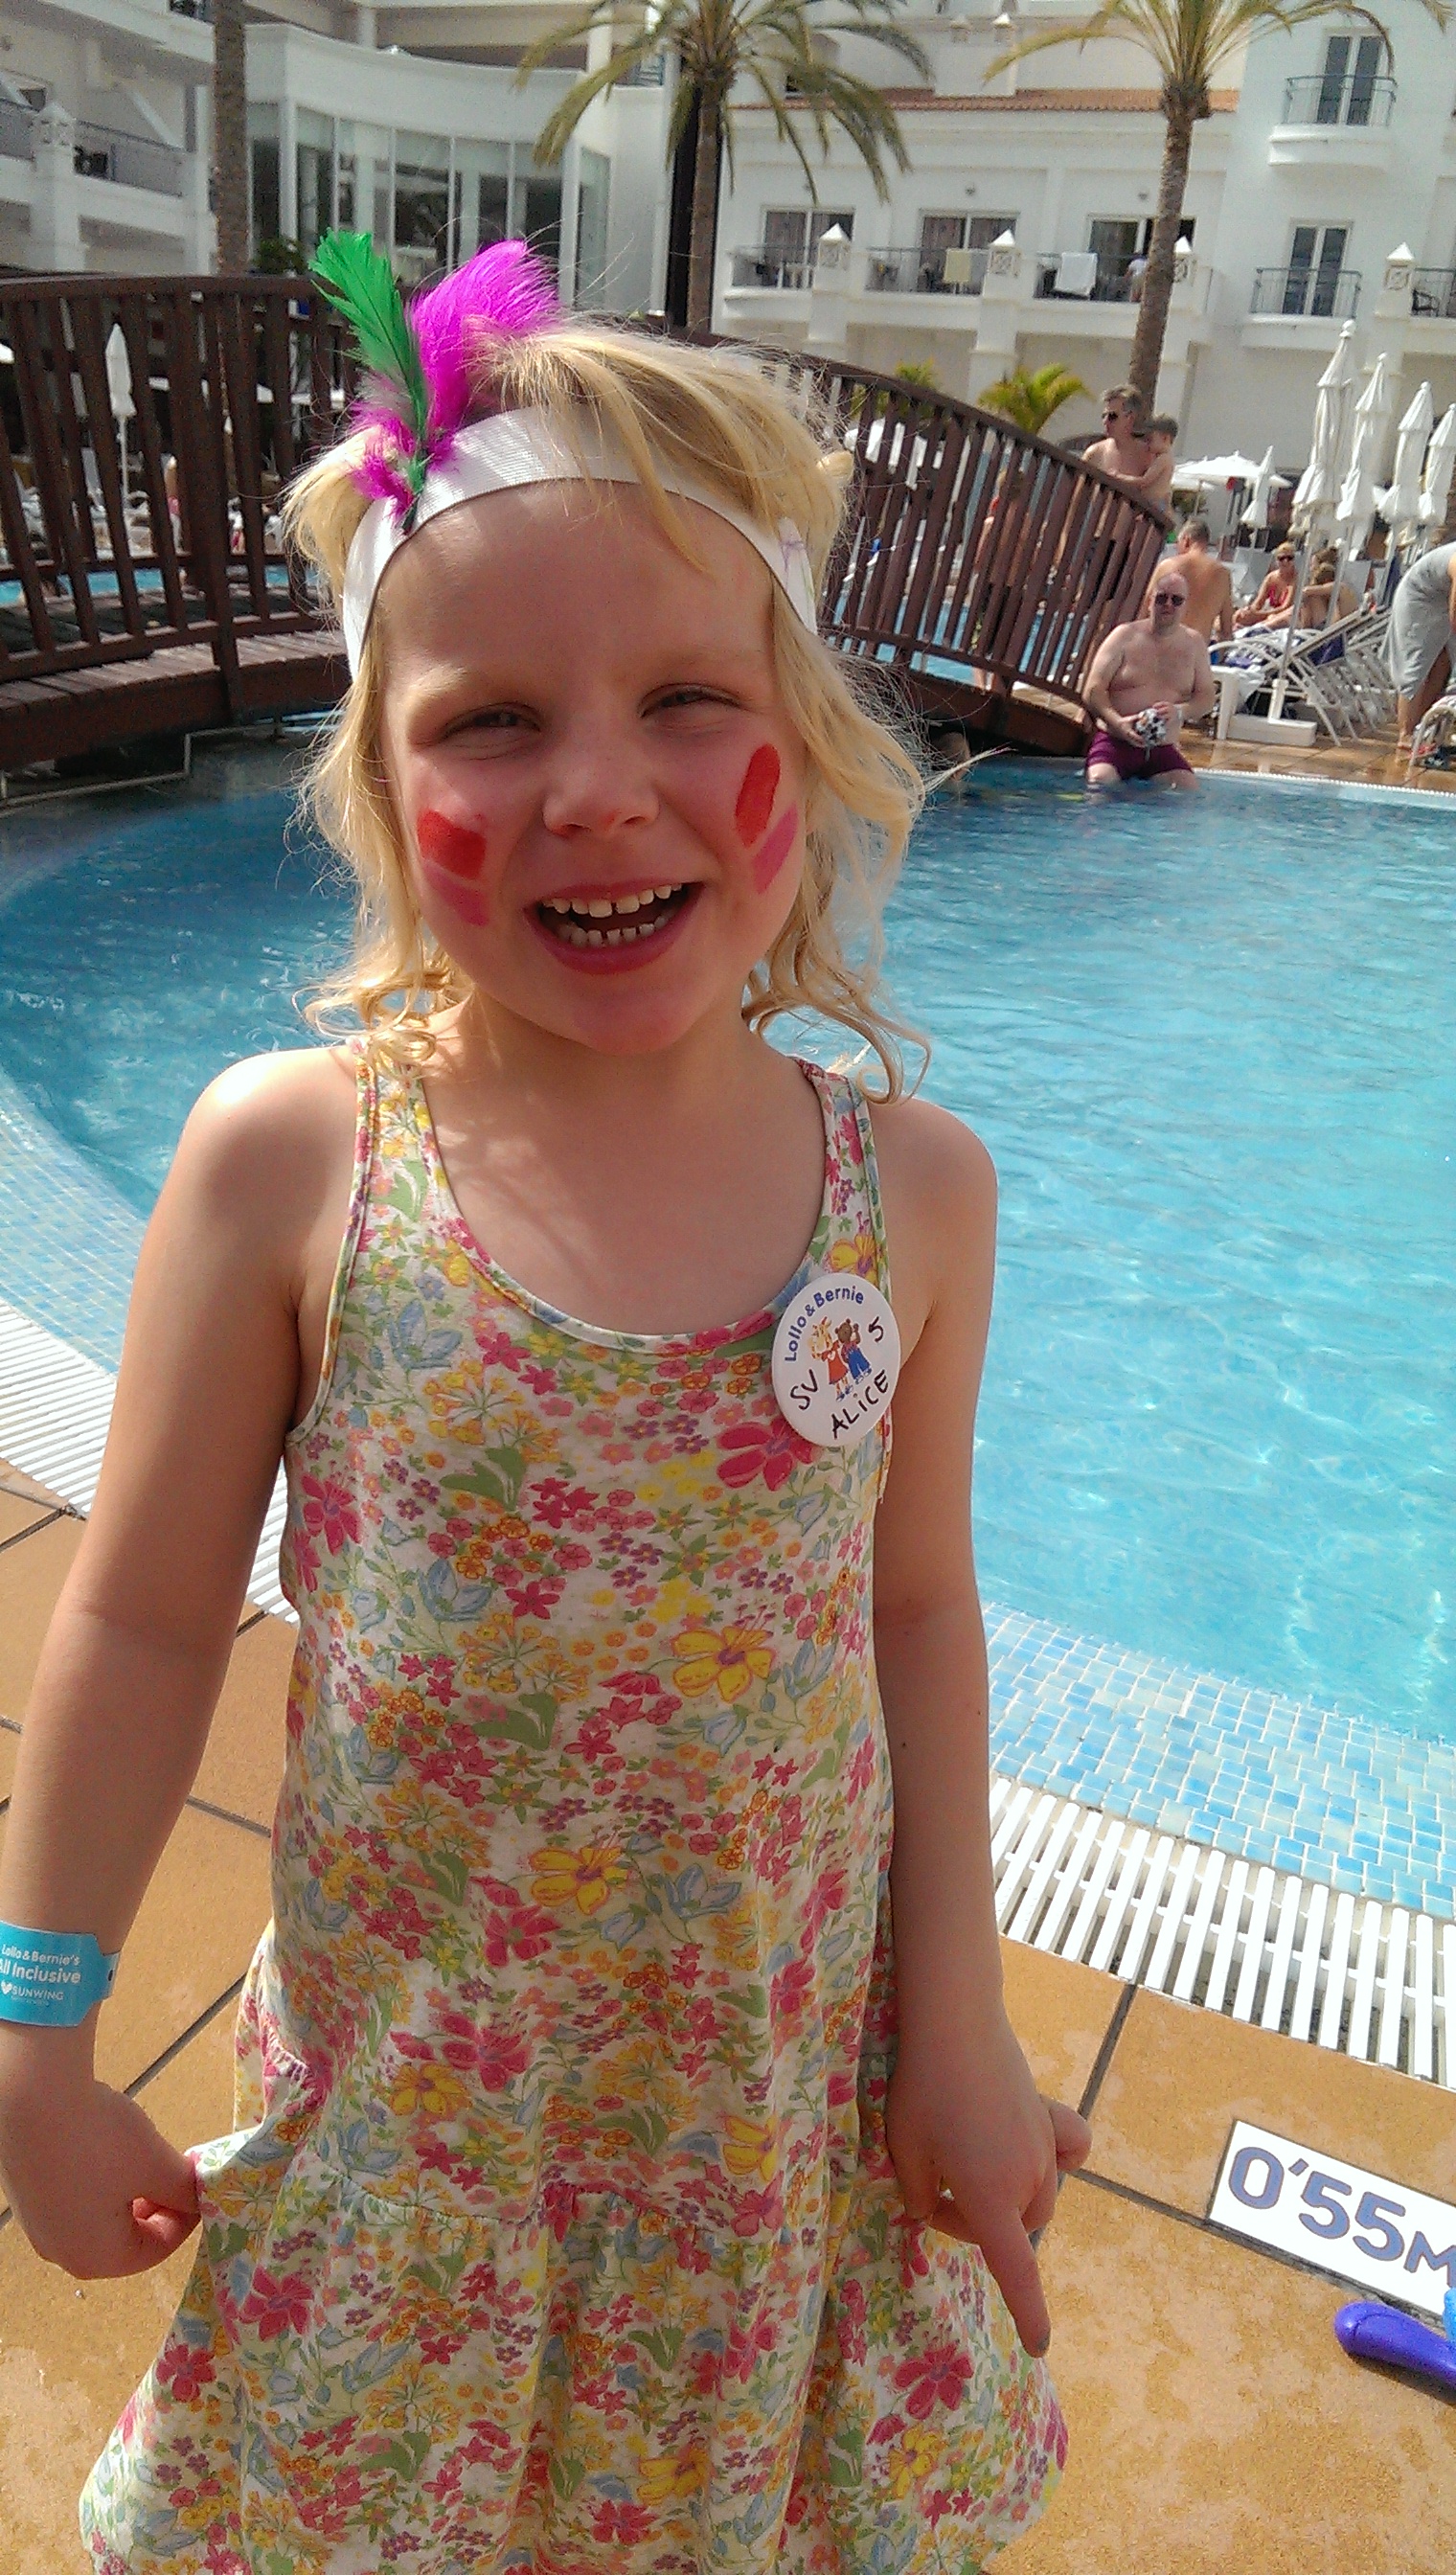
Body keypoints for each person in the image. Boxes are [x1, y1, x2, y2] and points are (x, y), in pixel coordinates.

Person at [0, 238, 1087, 2575]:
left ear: (809, 744)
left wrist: (963, 2027)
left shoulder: (910, 1195)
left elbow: (914, 1616)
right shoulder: (297, 1164)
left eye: (691, 697)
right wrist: (38, 2035)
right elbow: (143, 1623)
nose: (599, 790)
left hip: (768, 2121)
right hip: (423, 2125)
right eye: (492, 722)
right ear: (380, 786)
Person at [1082, 562, 1217, 786]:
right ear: (1149, 602)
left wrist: (1179, 712)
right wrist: (1118, 723)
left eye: (1176, 600)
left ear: (1185, 606)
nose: (1168, 605)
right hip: (1116, 741)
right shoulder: (1124, 636)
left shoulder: (1194, 644)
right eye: (1161, 598)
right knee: (1100, 781)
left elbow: (1207, 698)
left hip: (1161, 749)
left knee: (1187, 789)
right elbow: (1092, 690)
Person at [1386, 537, 1456, 743]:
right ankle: (1406, 734)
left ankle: (1422, 727)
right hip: (1418, 598)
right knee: (1416, 664)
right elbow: (1455, 614)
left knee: (1443, 663)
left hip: (1439, 600)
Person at [1143, 516, 1233, 640]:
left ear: (1186, 540)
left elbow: (1144, 610)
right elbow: (1227, 631)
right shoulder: (1223, 574)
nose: (1177, 549)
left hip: (1160, 645)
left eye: (1178, 543)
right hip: (1196, 649)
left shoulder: (1167, 565)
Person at [1081, 383, 1150, 488]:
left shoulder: (1147, 455)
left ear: (1130, 418)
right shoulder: (1094, 453)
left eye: (1112, 416)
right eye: (1104, 416)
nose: (1105, 421)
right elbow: (1078, 492)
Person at [1234, 539, 1297, 629]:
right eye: (1281, 558)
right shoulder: (1271, 577)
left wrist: (1258, 615)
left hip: (1286, 617)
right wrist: (1250, 612)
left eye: (1290, 558)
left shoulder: (1295, 580)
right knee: (1239, 615)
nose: (1285, 561)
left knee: (1270, 618)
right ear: (1276, 560)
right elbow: (1259, 602)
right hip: (1269, 613)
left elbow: (1285, 607)